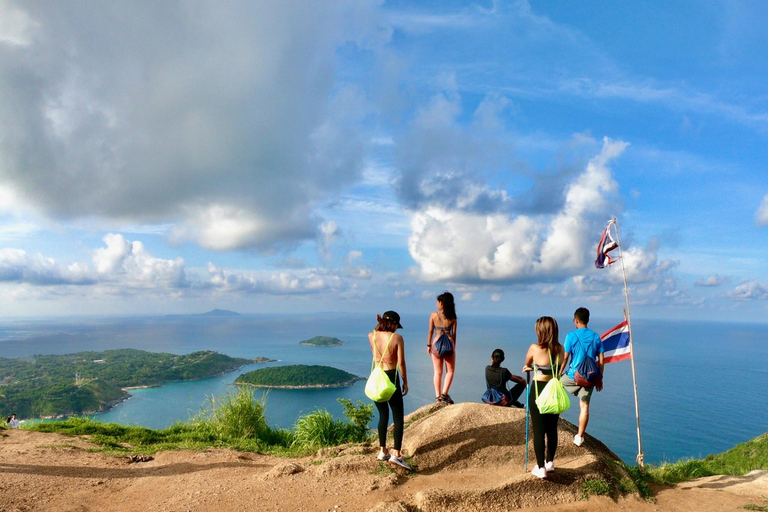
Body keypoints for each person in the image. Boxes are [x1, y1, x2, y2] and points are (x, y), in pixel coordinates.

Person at [523, 316, 564, 479]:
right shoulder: (560, 349)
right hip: (553, 390)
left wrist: (530, 368)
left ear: (541, 331)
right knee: (552, 429)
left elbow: (528, 363)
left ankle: (540, 468)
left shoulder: (535, 348)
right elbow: (558, 370)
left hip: (539, 390)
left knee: (539, 430)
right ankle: (550, 462)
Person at [369, 310, 410, 470]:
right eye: (396, 326)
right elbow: (401, 363)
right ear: (392, 323)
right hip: (392, 377)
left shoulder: (371, 336)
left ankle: (382, 451)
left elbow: (377, 354)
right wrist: (405, 381)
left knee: (383, 415)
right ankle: (397, 455)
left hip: (377, 378)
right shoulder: (397, 338)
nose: (396, 329)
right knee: (398, 417)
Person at [560, 307, 604, 447]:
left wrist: (558, 374)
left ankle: (552, 416)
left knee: (556, 385)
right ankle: (579, 437)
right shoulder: (596, 336)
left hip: (573, 376)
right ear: (588, 320)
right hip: (589, 378)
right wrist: (599, 378)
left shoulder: (571, 336)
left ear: (576, 320)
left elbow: (565, 358)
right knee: (584, 406)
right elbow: (601, 360)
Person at [427, 291, 458, 404]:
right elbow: (454, 335)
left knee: (437, 372)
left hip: (436, 343)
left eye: (438, 301)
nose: (436, 303)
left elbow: (431, 331)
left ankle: (438, 397)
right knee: (450, 371)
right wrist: (453, 347)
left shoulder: (433, 315)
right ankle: (444, 394)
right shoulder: (453, 317)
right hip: (449, 343)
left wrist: (429, 345)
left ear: (441, 303)